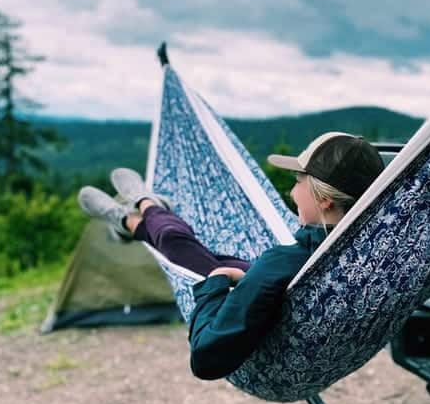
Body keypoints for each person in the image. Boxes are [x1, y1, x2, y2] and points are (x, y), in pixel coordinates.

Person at [78, 132, 384, 381]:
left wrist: (215, 283)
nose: (292, 192)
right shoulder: (372, 247)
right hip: (282, 290)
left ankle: (140, 210)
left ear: (325, 200)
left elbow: (206, 358)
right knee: (199, 251)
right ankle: (139, 212)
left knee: (178, 244)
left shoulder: (279, 263)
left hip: (268, 320)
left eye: (297, 181)